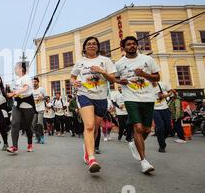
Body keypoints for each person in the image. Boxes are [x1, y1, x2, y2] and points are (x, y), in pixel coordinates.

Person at [70, 36, 116, 174]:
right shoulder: (80, 62)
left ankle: (87, 147)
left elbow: (113, 79)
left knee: (95, 128)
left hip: (101, 97)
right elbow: (72, 77)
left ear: (98, 46)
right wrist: (74, 82)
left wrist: (101, 71)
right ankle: (91, 158)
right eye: (88, 44)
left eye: (94, 44)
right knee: (89, 125)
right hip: (84, 95)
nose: (91, 46)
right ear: (84, 47)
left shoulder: (105, 61)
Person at [115, 36, 160, 174]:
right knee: (138, 127)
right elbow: (115, 78)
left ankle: (135, 143)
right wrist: (119, 81)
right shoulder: (119, 64)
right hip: (131, 98)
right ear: (123, 48)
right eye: (128, 44)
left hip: (148, 98)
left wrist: (144, 74)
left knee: (147, 130)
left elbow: (157, 77)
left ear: (137, 46)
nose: (132, 46)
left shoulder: (147, 59)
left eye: (134, 44)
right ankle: (144, 161)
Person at [6, 62, 36, 154]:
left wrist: (14, 93)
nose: (14, 69)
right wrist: (10, 90)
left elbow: (26, 88)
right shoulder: (17, 80)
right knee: (14, 123)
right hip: (17, 104)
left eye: (15, 68)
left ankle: (30, 143)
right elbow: (15, 91)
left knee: (27, 127)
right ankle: (14, 146)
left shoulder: (26, 78)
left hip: (27, 104)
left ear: (20, 69)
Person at [153, 81, 173, 152]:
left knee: (168, 128)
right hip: (154, 109)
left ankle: (162, 138)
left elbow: (171, 92)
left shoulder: (163, 84)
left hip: (165, 108)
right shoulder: (146, 86)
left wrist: (166, 95)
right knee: (160, 127)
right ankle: (162, 146)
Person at [32, 77, 46, 144]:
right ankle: (38, 137)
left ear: (38, 82)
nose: (34, 83)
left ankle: (42, 137)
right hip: (34, 109)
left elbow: (47, 97)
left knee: (40, 123)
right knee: (33, 124)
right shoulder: (31, 90)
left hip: (41, 108)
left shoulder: (42, 89)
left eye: (35, 82)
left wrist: (42, 98)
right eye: (33, 82)